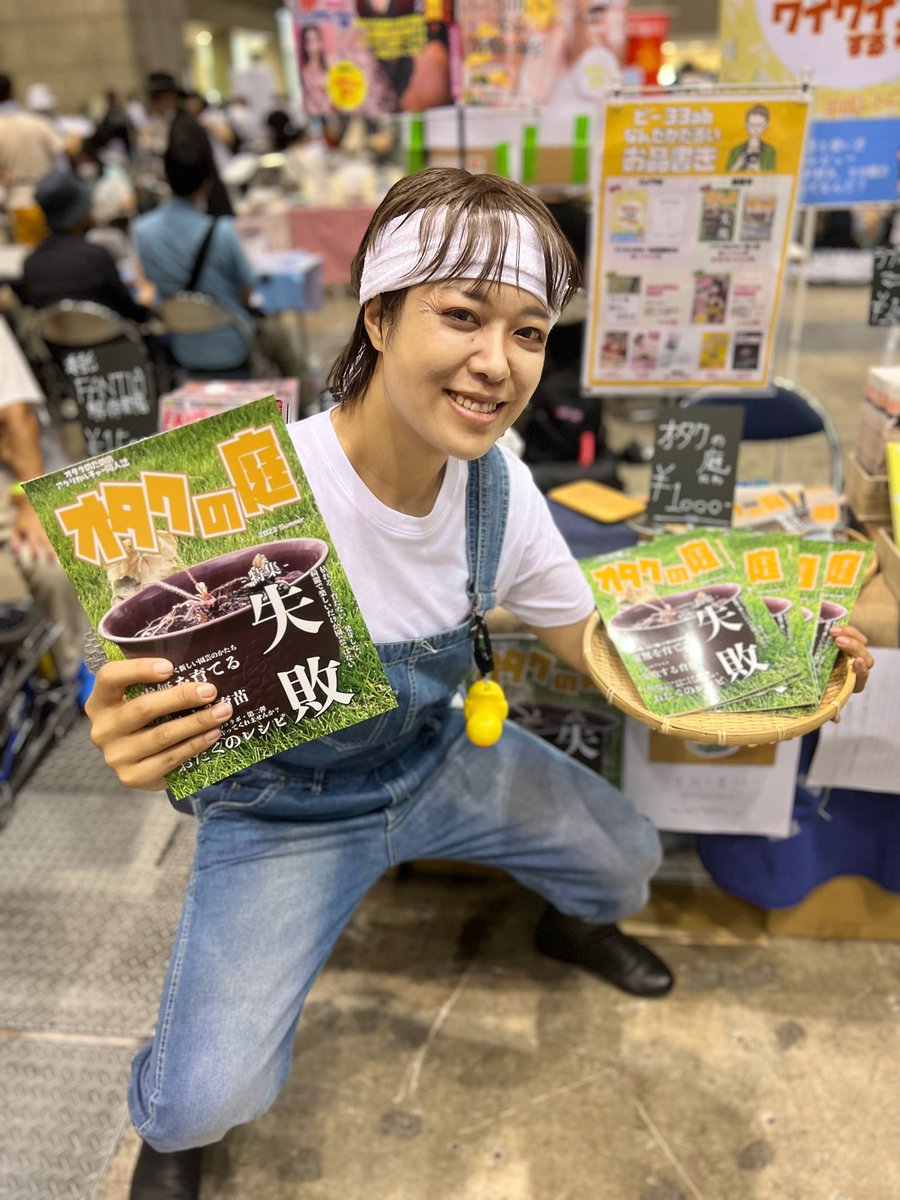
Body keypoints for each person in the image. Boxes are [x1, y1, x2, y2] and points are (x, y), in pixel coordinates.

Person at [84, 168, 876, 1199]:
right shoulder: (242, 495)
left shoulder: (499, 489)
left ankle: (567, 922)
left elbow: (595, 639)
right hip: (281, 810)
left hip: (441, 760)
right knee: (203, 1097)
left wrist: (757, 668)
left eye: (529, 332)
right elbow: (141, 677)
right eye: (461, 315)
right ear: (378, 316)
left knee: (628, 862)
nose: (498, 363)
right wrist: (130, 732)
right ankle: (177, 1123)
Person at [0, 317, 87, 683]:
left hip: (12, 477)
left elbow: (17, 415)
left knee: (47, 560)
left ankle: (77, 674)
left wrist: (28, 499)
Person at [132, 136, 256, 373]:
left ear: (165, 177)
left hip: (183, 347)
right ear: (206, 184)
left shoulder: (141, 231)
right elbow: (246, 292)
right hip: (233, 344)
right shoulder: (222, 231)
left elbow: (150, 282)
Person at [20, 167, 155, 322]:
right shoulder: (96, 257)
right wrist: (145, 298)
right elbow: (132, 313)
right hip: (109, 337)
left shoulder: (31, 266)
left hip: (57, 338)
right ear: (81, 214)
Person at [140, 71, 234, 217]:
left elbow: (189, 166)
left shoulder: (182, 125)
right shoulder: (178, 122)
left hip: (201, 203)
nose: (154, 104)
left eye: (156, 98)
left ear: (169, 96)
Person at [0, 72, 70, 244]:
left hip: (16, 204)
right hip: (48, 202)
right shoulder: (37, 122)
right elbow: (65, 151)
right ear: (12, 92)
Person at [726, 104, 777, 173]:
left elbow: (772, 176)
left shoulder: (769, 151)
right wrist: (737, 165)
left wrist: (758, 170)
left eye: (760, 125)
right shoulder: (736, 151)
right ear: (746, 125)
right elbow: (725, 176)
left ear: (766, 125)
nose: (755, 129)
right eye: (752, 125)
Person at [298, 23, 332, 117]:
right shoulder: (304, 73)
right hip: (314, 116)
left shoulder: (331, 67)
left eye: (315, 40)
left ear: (321, 42)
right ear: (304, 45)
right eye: (308, 41)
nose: (312, 45)